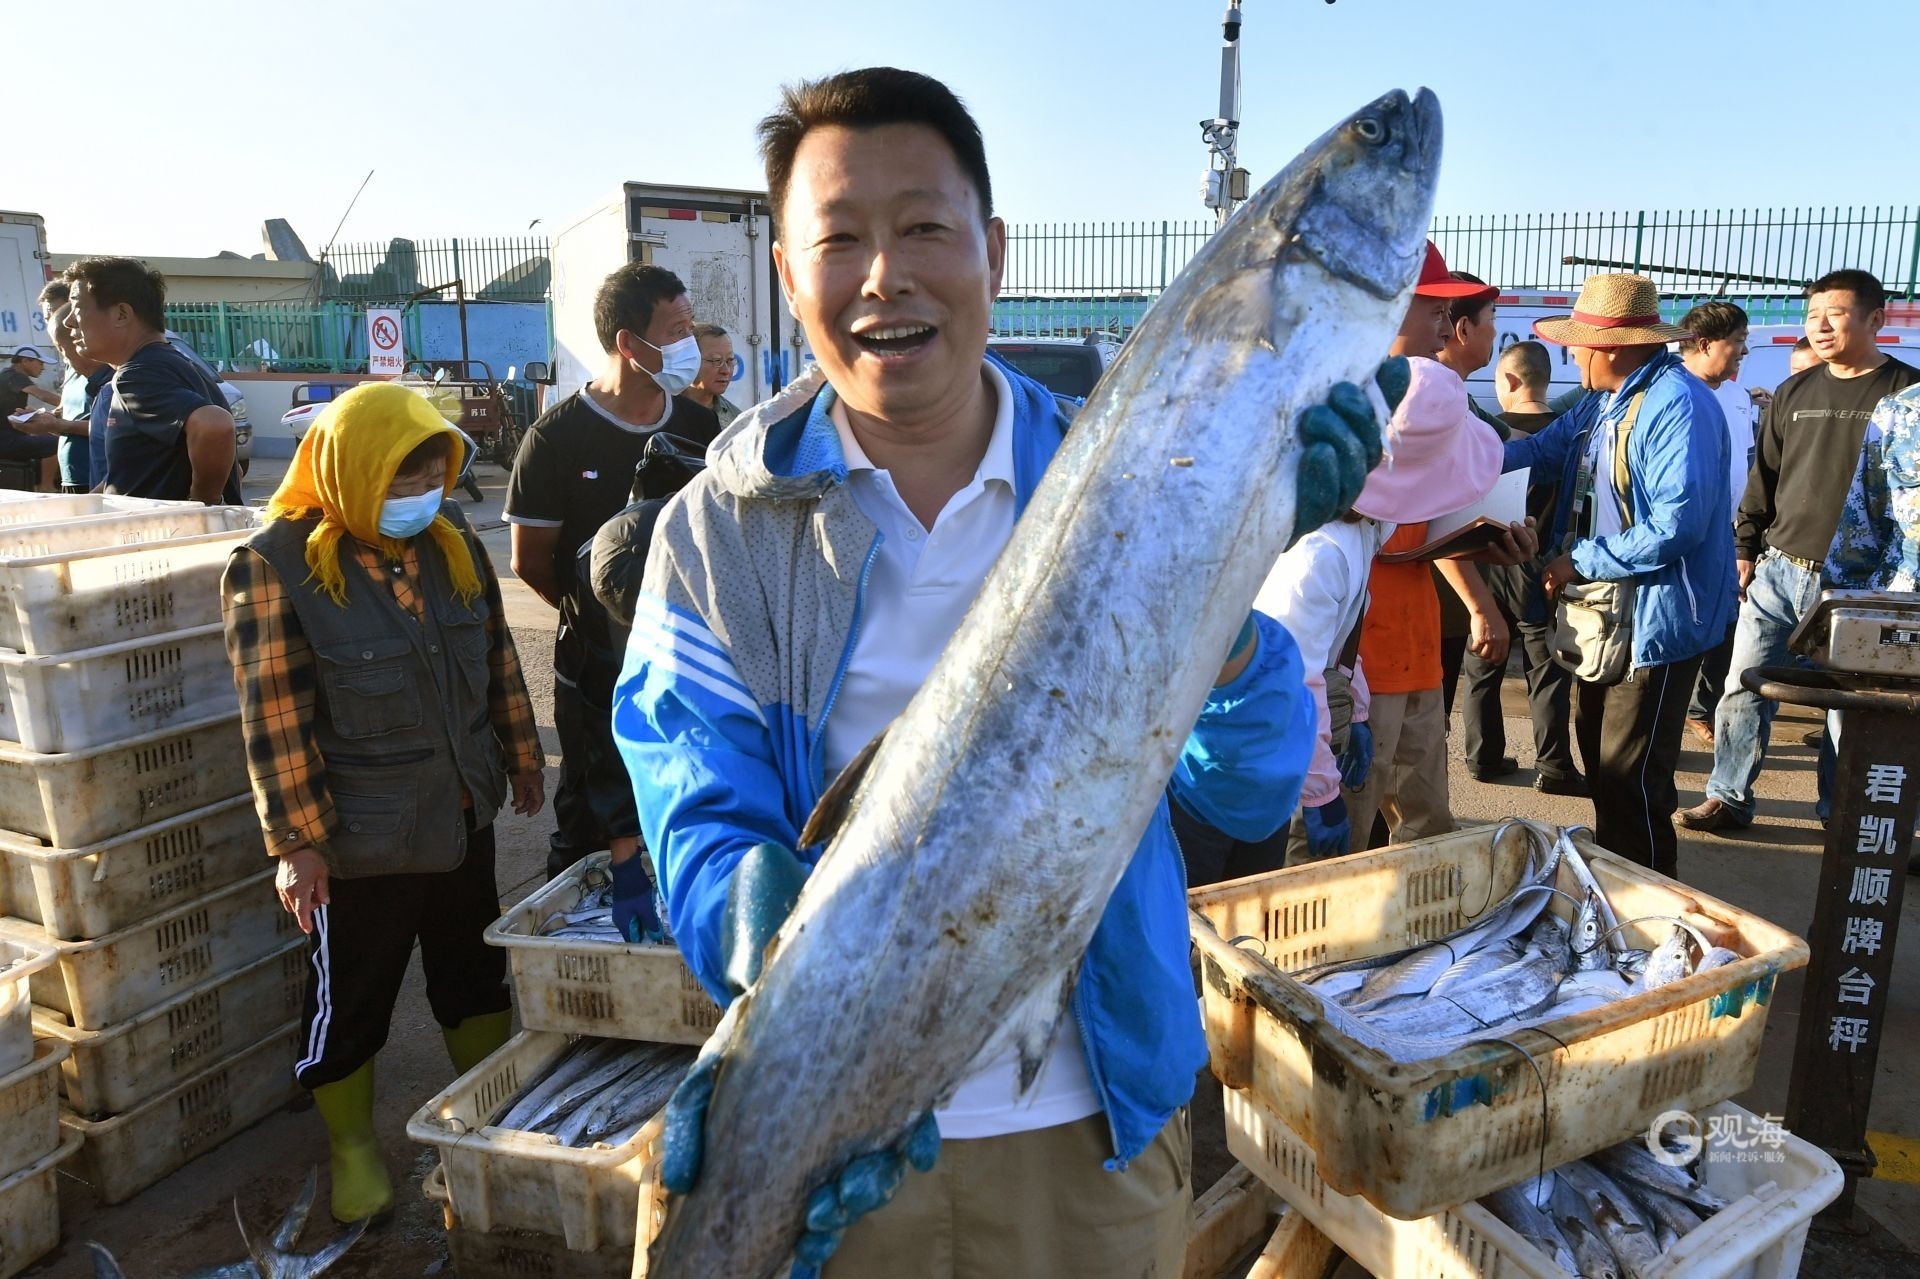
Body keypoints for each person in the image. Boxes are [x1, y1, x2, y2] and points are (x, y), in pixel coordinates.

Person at [612, 67, 1375, 1276]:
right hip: (830, 1139)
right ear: (789, 276)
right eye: (841, 240)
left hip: (1087, 1136)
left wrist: (1225, 589)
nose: (885, 275)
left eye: (925, 227)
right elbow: (695, 805)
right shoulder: (714, 538)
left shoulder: (1135, 482)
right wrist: (748, 916)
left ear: (994, 251)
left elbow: (1250, 790)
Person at [220, 382, 546, 1223]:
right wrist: (298, 844)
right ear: (354, 469)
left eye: (434, 476)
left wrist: (520, 754)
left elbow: (497, 654)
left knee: (473, 973)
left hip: (461, 811)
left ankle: (483, 1119)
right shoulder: (276, 564)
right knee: (353, 996)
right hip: (357, 837)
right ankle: (353, 1146)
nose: (422, 495)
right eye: (403, 479)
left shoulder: (451, 536)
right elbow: (274, 719)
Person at [1505, 273, 1735, 877]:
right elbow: (1539, 453)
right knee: (1604, 767)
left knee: (1633, 780)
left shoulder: (1678, 405)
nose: (1571, 355)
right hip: (1606, 614)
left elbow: (1676, 526)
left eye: (1578, 344)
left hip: (1656, 623)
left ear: (1610, 347)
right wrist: (1451, 455)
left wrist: (1578, 560)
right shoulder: (1602, 400)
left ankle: (1650, 909)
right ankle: (1615, 897)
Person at [1679, 270, 1918, 834]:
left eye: (1835, 314)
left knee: (1849, 706)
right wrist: (1746, 547)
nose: (1821, 326)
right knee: (1743, 685)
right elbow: (1764, 478)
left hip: (1862, 585)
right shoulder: (1794, 392)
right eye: (1813, 316)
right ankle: (1728, 796)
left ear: (1876, 319)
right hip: (1780, 570)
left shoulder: (1906, 395)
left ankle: (1842, 813)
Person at [505, 264, 720, 883]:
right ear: (630, 343)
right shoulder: (556, 438)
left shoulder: (698, 426)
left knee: (683, 805)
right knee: (590, 816)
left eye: (691, 328)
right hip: (595, 668)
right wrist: (601, 620)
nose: (690, 345)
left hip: (685, 659)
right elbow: (529, 561)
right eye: (677, 332)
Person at [1347, 245, 1512, 852]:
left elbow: (1428, 520)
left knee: (1426, 831)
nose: (1447, 325)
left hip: (1413, 648)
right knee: (1341, 840)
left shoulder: (1420, 398)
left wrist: (1489, 545)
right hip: (1360, 664)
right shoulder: (1353, 408)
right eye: (1435, 309)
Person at [1432, 271, 1526, 783]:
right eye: (1492, 320)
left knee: (1423, 742)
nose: (1496, 333)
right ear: (1463, 329)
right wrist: (1482, 607)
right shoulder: (1436, 402)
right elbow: (1435, 515)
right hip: (1430, 604)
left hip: (1439, 605)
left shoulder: (1459, 399)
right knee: (1408, 749)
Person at [1489, 340, 1585, 795]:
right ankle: (1554, 765)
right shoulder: (1569, 434)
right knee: (1545, 667)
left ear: (1510, 380)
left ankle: (1482, 756)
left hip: (1489, 558)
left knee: (1482, 658)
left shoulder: (1489, 434)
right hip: (1544, 563)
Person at [65, 257, 240, 504]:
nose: (68, 321)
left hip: (167, 528)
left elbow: (215, 425)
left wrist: (202, 504)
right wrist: (81, 507)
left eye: (77, 308)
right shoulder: (178, 365)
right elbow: (134, 476)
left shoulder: (137, 375)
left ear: (122, 314)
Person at [1675, 301, 1754, 748]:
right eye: (1738, 341)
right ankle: (1669, 720)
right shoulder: (1673, 392)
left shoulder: (1738, 396)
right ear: (1704, 344)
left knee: (1726, 626)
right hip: (1685, 536)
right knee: (1684, 630)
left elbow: (1745, 462)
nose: (1744, 351)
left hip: (1728, 532)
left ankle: (1700, 708)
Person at [15, 282, 103, 491]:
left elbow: (113, 427)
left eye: (56, 313)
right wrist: (42, 419)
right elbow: (66, 413)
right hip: (73, 477)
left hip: (97, 479)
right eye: (47, 317)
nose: (52, 322)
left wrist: (57, 425)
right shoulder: (72, 366)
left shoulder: (106, 366)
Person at [0, 346, 61, 490]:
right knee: (57, 443)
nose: (43, 368)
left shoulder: (6, 375)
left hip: (7, 435)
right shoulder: (14, 376)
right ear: (25, 361)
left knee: (43, 435)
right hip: (6, 439)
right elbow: (43, 395)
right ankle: (46, 487)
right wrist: (69, 404)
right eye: (40, 363)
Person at [686, 322, 743, 428]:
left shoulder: (736, 421)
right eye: (716, 360)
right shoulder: (662, 410)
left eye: (730, 360)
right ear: (690, 360)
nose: (726, 371)